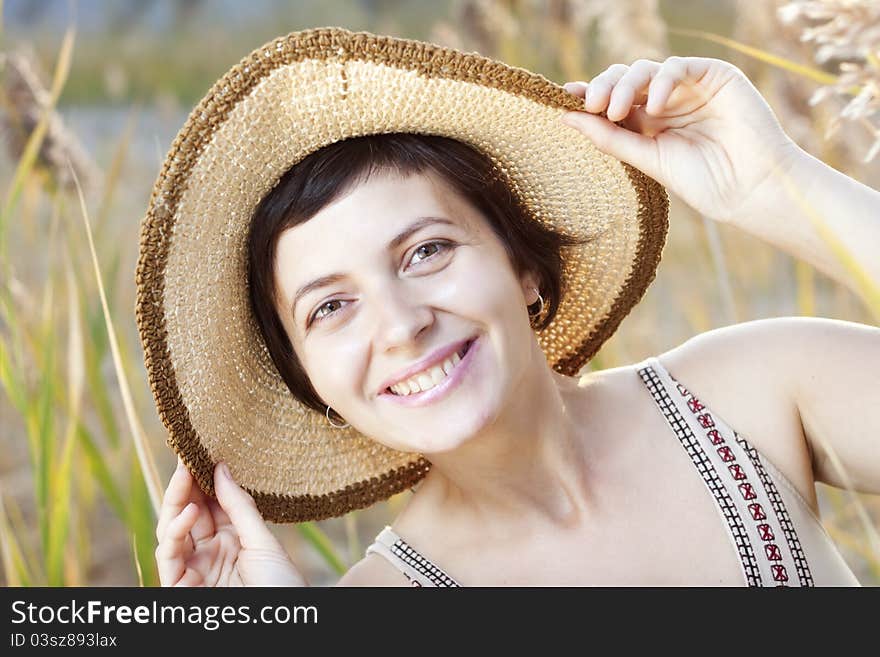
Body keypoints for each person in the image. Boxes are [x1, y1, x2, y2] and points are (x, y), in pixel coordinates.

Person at [145, 29, 879, 587]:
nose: (401, 325)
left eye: (426, 251)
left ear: (523, 264)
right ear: (309, 380)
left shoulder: (749, 392)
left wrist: (778, 186)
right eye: (331, 306)